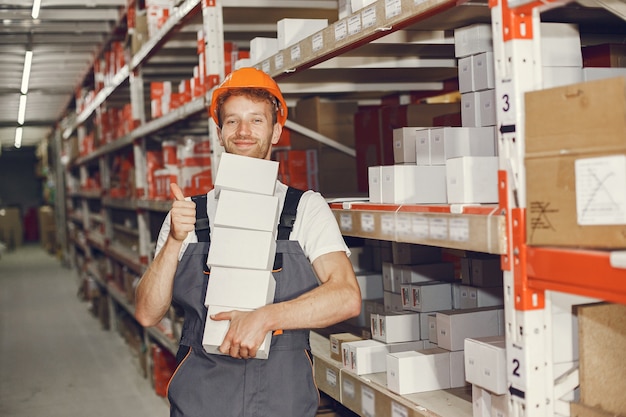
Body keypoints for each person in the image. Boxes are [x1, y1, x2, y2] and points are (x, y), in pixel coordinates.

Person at [134, 67, 362, 417]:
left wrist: (265, 317)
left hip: (282, 391)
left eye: (257, 120)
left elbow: (346, 297)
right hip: (202, 393)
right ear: (220, 132)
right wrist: (174, 242)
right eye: (232, 121)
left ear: (276, 132)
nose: (243, 131)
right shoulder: (188, 213)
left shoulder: (304, 209)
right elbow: (148, 313)